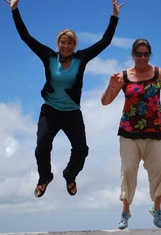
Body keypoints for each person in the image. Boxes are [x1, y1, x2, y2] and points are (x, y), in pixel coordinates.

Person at [5, 0, 124, 198]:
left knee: (81, 150)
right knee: (42, 148)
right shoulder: (49, 57)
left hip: (71, 112)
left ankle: (70, 175)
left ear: (74, 45)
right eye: (63, 42)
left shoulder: (81, 59)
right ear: (58, 43)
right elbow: (26, 37)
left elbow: (105, 42)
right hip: (50, 111)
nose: (66, 46)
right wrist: (15, 10)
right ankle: (44, 178)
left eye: (70, 43)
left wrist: (114, 17)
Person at [101, 38, 161, 229]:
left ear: (150, 54)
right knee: (128, 170)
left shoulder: (158, 73)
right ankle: (125, 210)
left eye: (146, 54)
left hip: (157, 130)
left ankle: (157, 209)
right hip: (129, 131)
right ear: (133, 55)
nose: (142, 57)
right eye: (138, 54)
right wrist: (111, 85)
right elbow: (105, 102)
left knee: (159, 171)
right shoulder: (124, 76)